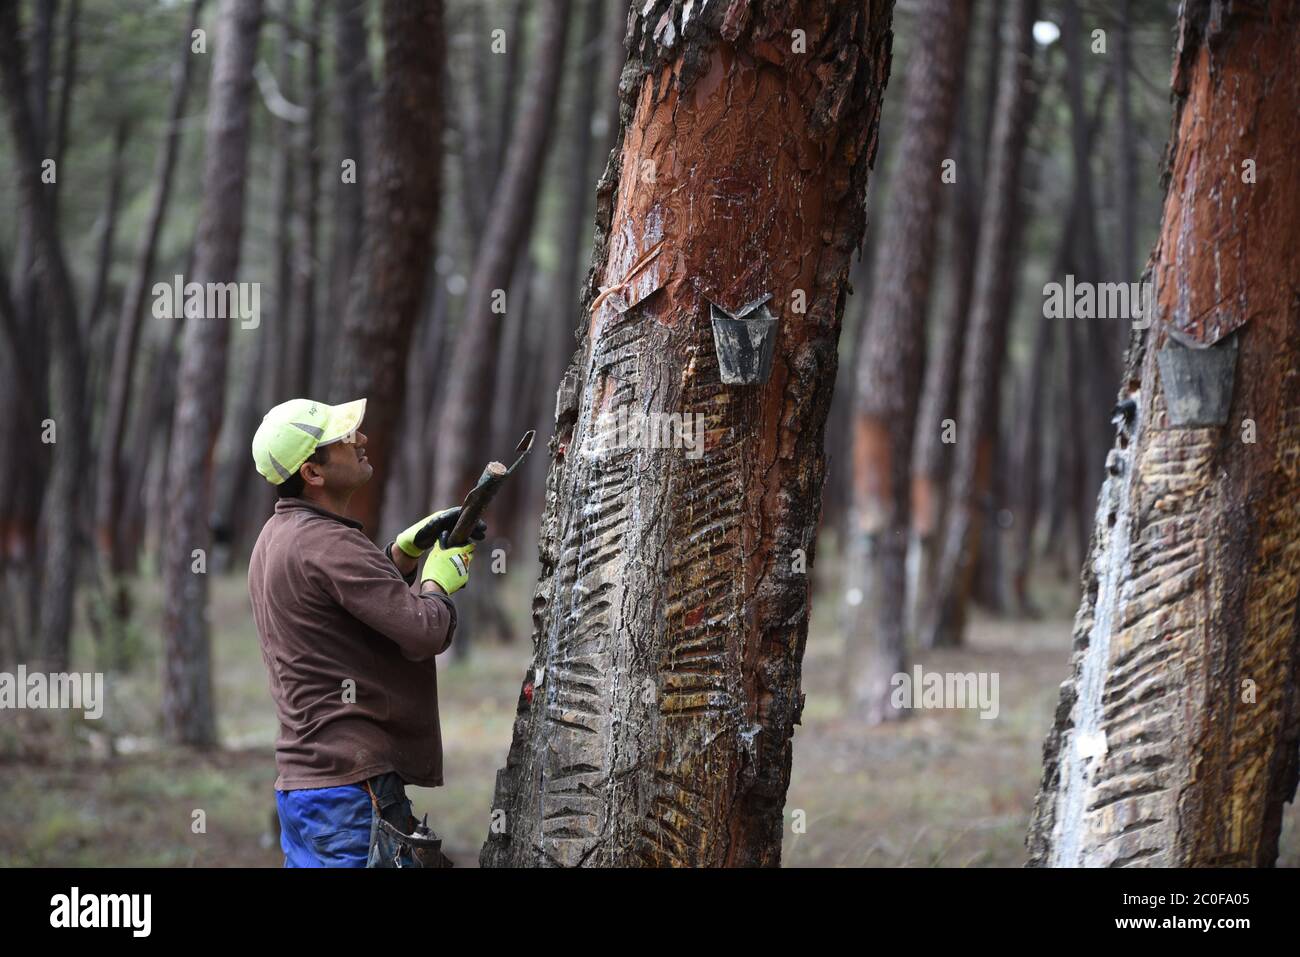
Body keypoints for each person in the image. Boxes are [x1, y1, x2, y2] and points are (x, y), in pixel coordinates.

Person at [247, 397, 482, 867]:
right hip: (349, 793)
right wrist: (438, 579)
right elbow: (423, 632)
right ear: (313, 473)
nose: (362, 439)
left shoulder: (277, 538)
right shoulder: (327, 542)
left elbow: (338, 607)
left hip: (306, 787)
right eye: (343, 438)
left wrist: (399, 553)